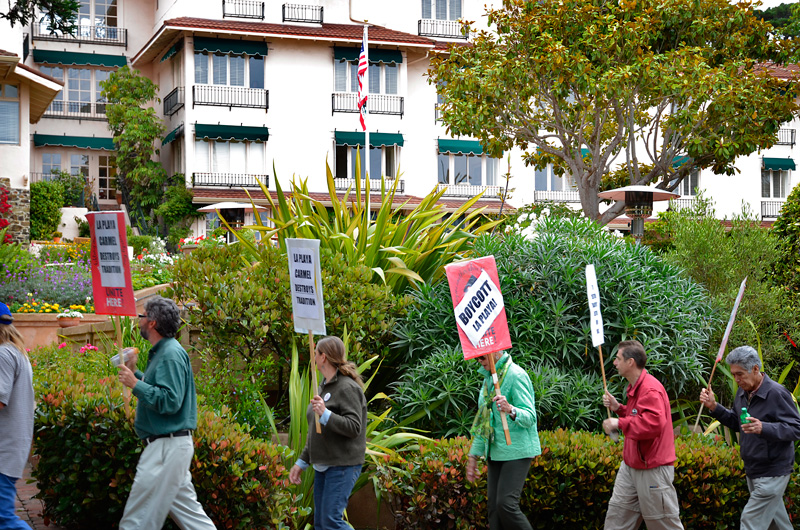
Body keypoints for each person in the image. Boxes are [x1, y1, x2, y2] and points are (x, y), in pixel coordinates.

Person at [117, 296, 216, 530]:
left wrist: (134, 384)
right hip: (169, 446)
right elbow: (161, 389)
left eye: (142, 316)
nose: (139, 320)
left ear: (152, 323)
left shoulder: (170, 354)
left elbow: (170, 401)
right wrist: (136, 375)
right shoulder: (166, 352)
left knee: (138, 519)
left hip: (166, 447)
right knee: (194, 521)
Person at [699, 345, 800, 530]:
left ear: (755, 369)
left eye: (740, 374)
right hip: (754, 468)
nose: (736, 379)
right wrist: (714, 407)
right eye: (734, 374)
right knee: (776, 525)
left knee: (750, 522)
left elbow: (796, 428)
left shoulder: (777, 393)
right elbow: (738, 423)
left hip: (773, 471)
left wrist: (764, 427)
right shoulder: (742, 392)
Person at [602, 340, 684, 530]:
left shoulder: (650, 389)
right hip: (631, 466)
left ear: (630, 362)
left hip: (652, 468)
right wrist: (619, 409)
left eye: (617, 359)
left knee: (663, 524)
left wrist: (619, 423)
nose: (614, 363)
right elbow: (637, 417)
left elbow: (653, 424)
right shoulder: (637, 386)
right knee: (617, 520)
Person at [288, 336, 367, 530]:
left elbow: (354, 427)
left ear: (324, 357)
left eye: (316, 354)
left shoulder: (347, 387)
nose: (313, 358)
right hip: (324, 464)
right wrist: (302, 462)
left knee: (331, 521)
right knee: (322, 524)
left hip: (342, 465)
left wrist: (326, 413)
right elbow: (317, 432)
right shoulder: (322, 387)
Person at [466, 350, 541, 530]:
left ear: (496, 354)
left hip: (517, 450)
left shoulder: (516, 375)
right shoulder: (488, 381)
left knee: (506, 505)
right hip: (495, 450)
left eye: (482, 357)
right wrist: (473, 456)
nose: (480, 361)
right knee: (494, 509)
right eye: (478, 358)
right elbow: (483, 421)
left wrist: (510, 409)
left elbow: (530, 416)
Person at [0, 302, 34, 530]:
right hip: (11, 447)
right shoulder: (16, 352)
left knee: (4, 520)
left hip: (4, 449)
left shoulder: (2, 354)